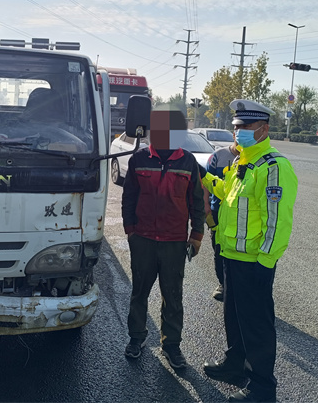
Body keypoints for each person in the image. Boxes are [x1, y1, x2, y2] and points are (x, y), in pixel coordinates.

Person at [202, 99, 298, 402]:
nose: (238, 132)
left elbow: (277, 221)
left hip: (254, 261)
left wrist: (266, 262)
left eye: (245, 126)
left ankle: (262, 387)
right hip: (231, 256)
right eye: (235, 127)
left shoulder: (273, 166)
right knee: (234, 317)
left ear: (263, 129)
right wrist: (202, 176)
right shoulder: (240, 163)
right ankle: (235, 365)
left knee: (256, 325)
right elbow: (226, 194)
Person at [122, 109, 205, 370]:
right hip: (143, 239)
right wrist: (130, 230)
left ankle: (171, 346)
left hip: (174, 242)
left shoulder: (188, 161)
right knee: (139, 292)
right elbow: (128, 197)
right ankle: (136, 338)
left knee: (173, 295)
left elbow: (197, 201)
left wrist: (197, 235)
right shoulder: (139, 159)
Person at [205, 136, 240, 302]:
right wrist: (206, 207)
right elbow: (206, 182)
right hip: (217, 213)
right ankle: (223, 284)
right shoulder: (218, 156)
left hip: (240, 215)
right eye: (238, 130)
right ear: (234, 135)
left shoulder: (254, 158)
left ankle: (236, 286)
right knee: (218, 249)